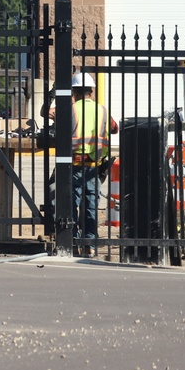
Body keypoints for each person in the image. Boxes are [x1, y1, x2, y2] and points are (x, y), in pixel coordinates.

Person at [43, 72, 118, 256]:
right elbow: (115, 128)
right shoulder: (103, 111)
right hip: (94, 167)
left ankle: (72, 242)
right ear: (91, 91)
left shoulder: (70, 109)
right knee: (91, 205)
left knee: (70, 204)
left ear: (73, 92)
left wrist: (53, 95)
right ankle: (89, 245)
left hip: (73, 165)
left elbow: (46, 113)